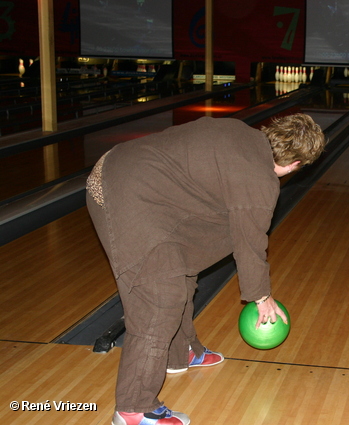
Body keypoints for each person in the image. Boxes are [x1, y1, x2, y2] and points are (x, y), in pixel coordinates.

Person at [86, 113, 325, 425]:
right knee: (160, 298)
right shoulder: (260, 181)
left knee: (179, 275)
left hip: (135, 179)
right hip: (122, 192)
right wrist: (261, 296)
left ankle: (181, 352)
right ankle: (133, 408)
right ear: (297, 164)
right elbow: (250, 243)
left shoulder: (238, 131)